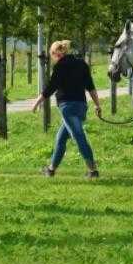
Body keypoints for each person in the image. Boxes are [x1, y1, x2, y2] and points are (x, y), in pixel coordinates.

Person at [31, 40, 103, 178]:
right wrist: (97, 105)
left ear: (55, 53)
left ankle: (92, 170)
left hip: (67, 108)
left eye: (52, 55)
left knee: (79, 136)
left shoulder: (60, 66)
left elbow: (51, 87)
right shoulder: (82, 64)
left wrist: (37, 103)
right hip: (81, 107)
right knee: (61, 138)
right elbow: (91, 87)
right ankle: (51, 169)